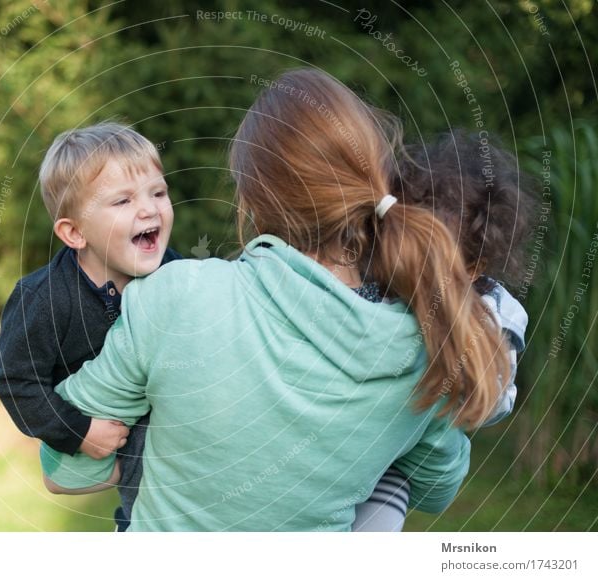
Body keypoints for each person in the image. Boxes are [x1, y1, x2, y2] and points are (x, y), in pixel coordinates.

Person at [44, 68, 510, 531]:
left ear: (251, 201)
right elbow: (435, 488)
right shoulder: (426, 346)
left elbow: (63, 467)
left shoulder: (176, 295)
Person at [0, 121, 179, 531]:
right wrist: (78, 432)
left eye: (158, 192)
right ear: (75, 232)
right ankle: (135, 529)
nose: (149, 209)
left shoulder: (175, 274)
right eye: (123, 201)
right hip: (97, 421)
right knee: (147, 483)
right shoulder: (44, 299)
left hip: (162, 409)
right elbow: (16, 381)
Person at [352, 131, 534, 531]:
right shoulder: (373, 286)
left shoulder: (493, 311)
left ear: (476, 267)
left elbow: (495, 398)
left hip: (399, 457)